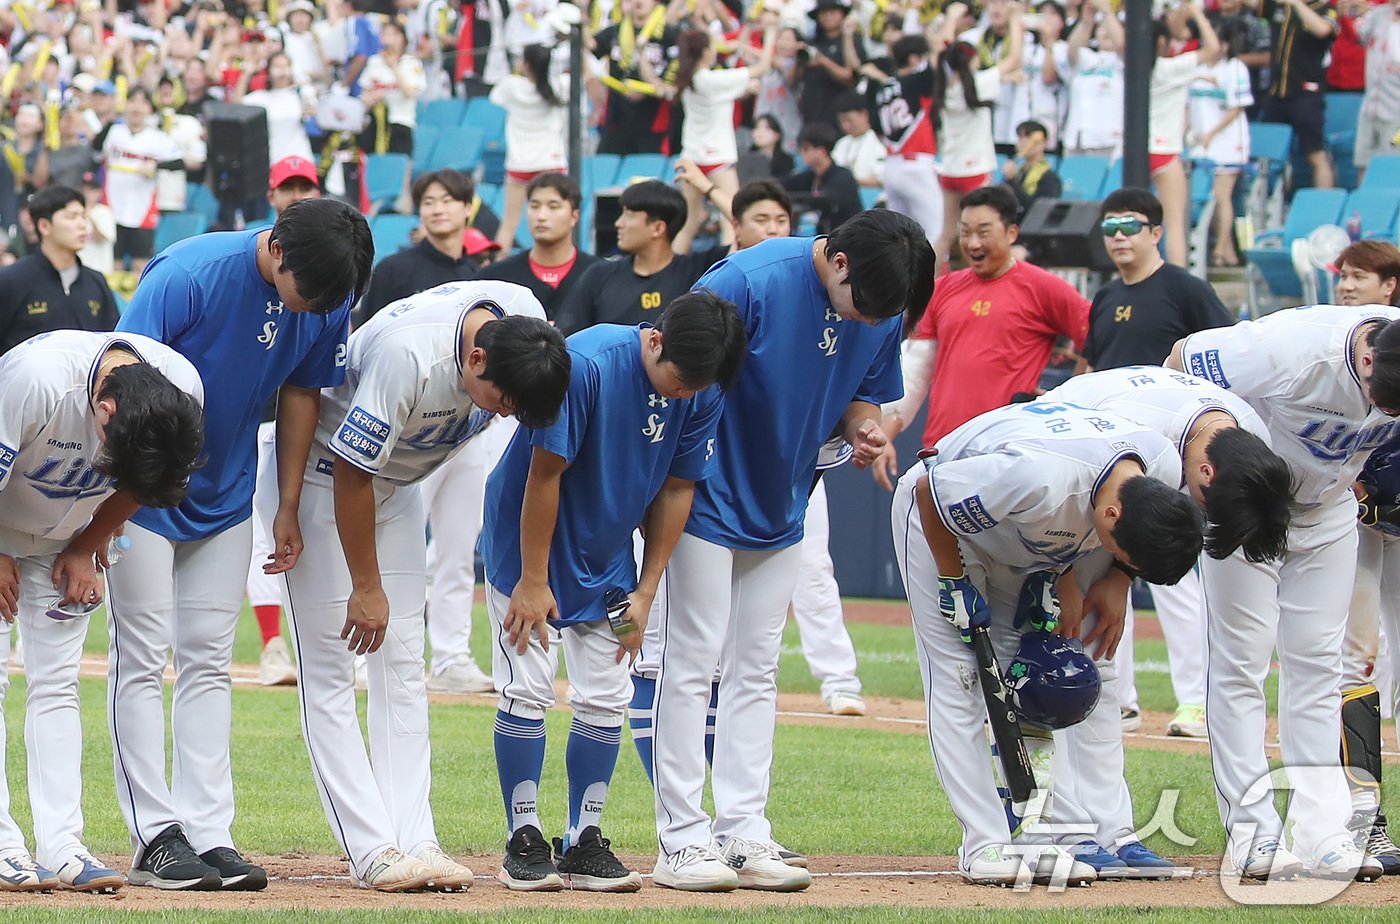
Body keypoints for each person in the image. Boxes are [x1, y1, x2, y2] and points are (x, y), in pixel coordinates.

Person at [650, 210, 935, 892]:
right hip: (706, 491)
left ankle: (744, 832)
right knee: (693, 662)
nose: (872, 322)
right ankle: (681, 841)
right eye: (864, 307)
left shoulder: (883, 301)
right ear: (838, 262)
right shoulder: (749, 279)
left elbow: (867, 396)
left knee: (756, 668)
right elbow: (679, 374)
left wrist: (868, 429)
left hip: (788, 497)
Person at [106, 198, 372, 891]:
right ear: (277, 251)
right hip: (145, 494)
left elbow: (302, 394)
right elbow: (120, 386)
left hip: (227, 497)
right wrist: (113, 508)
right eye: (307, 295)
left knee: (207, 661)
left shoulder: (326, 289)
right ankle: (154, 835)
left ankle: (207, 831)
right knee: (140, 654)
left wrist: (284, 505)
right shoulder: (188, 275)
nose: (314, 310)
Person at [270, 279, 568, 891]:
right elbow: (353, 473)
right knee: (331, 670)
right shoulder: (410, 355)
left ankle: (417, 838)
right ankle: (372, 849)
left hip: (397, 485)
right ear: (475, 358)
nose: (505, 410)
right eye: (501, 399)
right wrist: (366, 585)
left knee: (405, 662)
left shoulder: (526, 327)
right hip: (330, 477)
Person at [481, 292, 745, 891]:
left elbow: (678, 489)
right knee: (527, 687)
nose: (684, 396)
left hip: (608, 558)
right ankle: (523, 839)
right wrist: (531, 579)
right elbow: (543, 475)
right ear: (655, 340)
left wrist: (648, 589)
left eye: (695, 388)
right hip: (528, 544)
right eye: (678, 382)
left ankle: (583, 840)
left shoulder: (701, 386)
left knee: (606, 693)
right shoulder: (589, 363)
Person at [890, 399, 1203, 885]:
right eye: (1121, 551)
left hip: (1021, 535)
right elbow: (934, 494)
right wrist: (953, 582)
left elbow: (1085, 531)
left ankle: (1040, 834)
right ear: (1114, 514)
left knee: (1035, 682)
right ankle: (984, 844)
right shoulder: (1038, 478)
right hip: (943, 519)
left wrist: (1072, 576)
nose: (1117, 558)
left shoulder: (1157, 465)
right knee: (962, 677)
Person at [1167, 307, 1400, 881]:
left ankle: (1324, 833)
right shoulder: (1289, 349)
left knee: (1319, 663)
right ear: (1367, 359)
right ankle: (1253, 833)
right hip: (1253, 505)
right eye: (1387, 398)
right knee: (1242, 665)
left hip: (1329, 510)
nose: (1386, 413)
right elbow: (1179, 361)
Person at [1037, 365, 1295, 872]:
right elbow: (1062, 476)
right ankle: (1065, 832)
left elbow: (1148, 511)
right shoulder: (1139, 429)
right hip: (1052, 500)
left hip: (1106, 507)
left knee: (1098, 663)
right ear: (1205, 475)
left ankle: (1113, 832)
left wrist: (1119, 576)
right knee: (1053, 667)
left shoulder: (1244, 438)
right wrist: (1061, 571)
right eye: (1209, 507)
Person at [0, 330, 203, 893]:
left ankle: (63, 845)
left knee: (58, 685)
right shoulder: (35, 379)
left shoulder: (181, 388)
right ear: (103, 410)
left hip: (67, 534)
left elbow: (148, 479)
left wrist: (91, 542)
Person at [1078, 187, 1234, 737]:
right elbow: (1089, 366)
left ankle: (1193, 703)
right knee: (1101, 567)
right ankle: (1116, 698)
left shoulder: (1185, 290)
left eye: (1130, 224)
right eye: (1110, 226)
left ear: (1156, 233)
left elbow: (1225, 356)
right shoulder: (1102, 298)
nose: (1119, 235)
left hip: (1169, 455)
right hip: (1109, 458)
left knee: (1177, 582)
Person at [874, 185, 1089, 490]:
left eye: (984, 232)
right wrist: (886, 434)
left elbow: (1096, 340)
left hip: (1009, 452)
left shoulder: (1044, 288)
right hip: (942, 451)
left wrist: (1064, 402)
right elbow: (915, 371)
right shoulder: (942, 289)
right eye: (965, 232)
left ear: (1011, 232)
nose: (973, 243)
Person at [1332, 240, 1400, 872]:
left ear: (1391, 286)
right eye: (1343, 276)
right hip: (1351, 522)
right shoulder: (1331, 347)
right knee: (1355, 658)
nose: (1348, 285)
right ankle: (1361, 818)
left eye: (1360, 276)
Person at [248, 156, 327, 687]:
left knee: (303, 532)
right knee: (259, 539)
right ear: (272, 196)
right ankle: (272, 646)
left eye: (305, 186)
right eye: (287, 186)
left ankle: (313, 650)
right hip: (252, 424)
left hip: (301, 423)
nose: (296, 193)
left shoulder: (331, 263)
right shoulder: (253, 259)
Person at [555, 181, 718, 337]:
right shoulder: (599, 275)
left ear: (658, 228)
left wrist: (707, 187)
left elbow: (741, 234)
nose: (618, 223)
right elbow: (567, 336)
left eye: (629, 215)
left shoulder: (698, 272)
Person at [674, 26, 776, 246]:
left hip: (692, 156)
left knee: (688, 224)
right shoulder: (710, 79)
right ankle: (726, 272)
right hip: (717, 158)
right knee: (731, 220)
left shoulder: (689, 79)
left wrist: (745, 88)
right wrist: (771, 34)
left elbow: (725, 94)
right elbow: (762, 67)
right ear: (704, 52)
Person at [0, 185, 119, 356]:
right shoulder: (11, 280)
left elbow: (113, 345)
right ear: (44, 226)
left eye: (83, 216)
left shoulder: (96, 282)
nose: (82, 224)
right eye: (72, 217)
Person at [360, 169, 479, 320]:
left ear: (468, 208)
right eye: (428, 202)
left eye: (447, 201)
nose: (438, 210)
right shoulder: (392, 270)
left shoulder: (477, 277)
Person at [481, 172, 601, 320]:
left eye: (553, 206)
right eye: (534, 206)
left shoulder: (600, 276)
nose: (541, 216)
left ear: (575, 216)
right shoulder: (496, 278)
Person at [1251, 0, 1339, 188]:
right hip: (1277, 92)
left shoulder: (1326, 8)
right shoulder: (1279, 6)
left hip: (1306, 93)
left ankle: (1324, 208)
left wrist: (1297, 3)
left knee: (1315, 154)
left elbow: (1323, 30)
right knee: (1271, 156)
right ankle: (1277, 206)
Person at [489, 44, 568, 251]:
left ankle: (495, 267)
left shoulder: (511, 86)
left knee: (508, 224)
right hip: (552, 163)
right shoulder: (560, 86)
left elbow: (495, 99)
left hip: (520, 165)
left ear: (525, 64)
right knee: (556, 223)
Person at [1188, 20, 1253, 267]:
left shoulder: (1235, 68)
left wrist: (1211, 133)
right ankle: (1226, 252)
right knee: (1209, 196)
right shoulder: (1194, 67)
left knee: (1222, 195)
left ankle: (1220, 248)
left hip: (1228, 140)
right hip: (1200, 141)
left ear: (1224, 45)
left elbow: (1236, 109)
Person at [101, 87, 183, 277]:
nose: (137, 107)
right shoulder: (113, 131)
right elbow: (95, 154)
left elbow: (179, 162)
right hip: (112, 206)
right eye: (132, 101)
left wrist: (156, 166)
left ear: (149, 108)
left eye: (143, 102)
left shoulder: (158, 138)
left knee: (141, 266)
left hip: (143, 207)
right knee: (114, 265)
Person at [590, 0, 678, 155]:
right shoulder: (616, 31)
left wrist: (646, 89)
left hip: (652, 121)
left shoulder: (669, 34)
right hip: (618, 119)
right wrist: (578, 16)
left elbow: (671, 84)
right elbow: (591, 46)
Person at [779, 123, 863, 235]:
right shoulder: (811, 176)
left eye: (806, 148)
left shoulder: (843, 177)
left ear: (822, 150)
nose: (802, 153)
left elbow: (825, 198)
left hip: (848, 236)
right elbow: (783, 183)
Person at [1354, 0, 1400, 183]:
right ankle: (1361, 210)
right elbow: (1358, 35)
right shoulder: (1378, 14)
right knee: (1365, 164)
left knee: (1392, 168)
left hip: (1396, 114)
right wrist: (1355, 11)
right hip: (1370, 107)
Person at [1001, 119, 1063, 218]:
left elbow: (1038, 210)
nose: (1023, 142)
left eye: (1029, 137)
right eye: (1020, 137)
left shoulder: (1050, 178)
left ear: (1043, 143)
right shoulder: (1018, 173)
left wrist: (1013, 182)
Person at [831, 91, 887, 188]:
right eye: (842, 121)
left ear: (863, 115)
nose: (846, 126)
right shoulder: (841, 144)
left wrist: (851, 181)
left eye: (849, 120)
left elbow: (883, 179)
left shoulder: (878, 141)